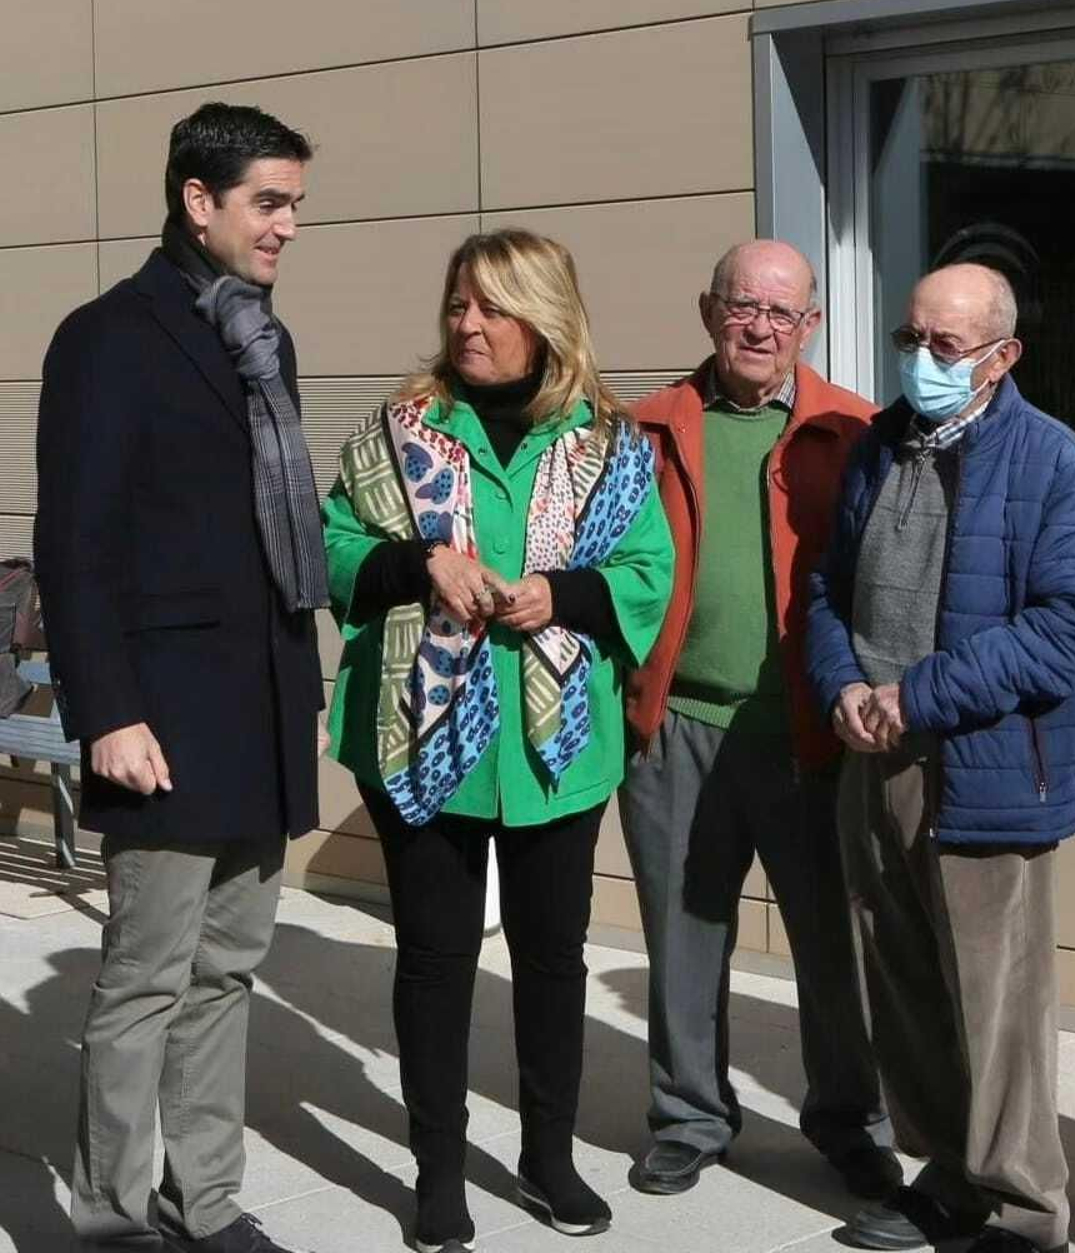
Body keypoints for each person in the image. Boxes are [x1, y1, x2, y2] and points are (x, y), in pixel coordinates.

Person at [322, 229, 673, 1251]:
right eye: (456, 304)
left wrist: (558, 593)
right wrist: (423, 559)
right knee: (433, 960)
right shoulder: (402, 427)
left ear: (543, 318)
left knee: (552, 959)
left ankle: (548, 1157)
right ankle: (439, 1172)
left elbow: (649, 570)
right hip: (417, 735)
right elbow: (335, 544)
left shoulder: (610, 440)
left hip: (558, 744)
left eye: (489, 307)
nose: (465, 324)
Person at [35, 102, 325, 1253]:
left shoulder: (261, 334)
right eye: (270, 200)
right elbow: (78, 543)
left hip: (260, 704)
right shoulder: (107, 336)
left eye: (297, 203)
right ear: (197, 201)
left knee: (226, 974)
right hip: (161, 715)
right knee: (148, 977)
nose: (289, 225)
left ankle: (202, 1201)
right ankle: (111, 1219)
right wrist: (107, 712)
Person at [807, 262, 1075, 1253]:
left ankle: (1025, 1214)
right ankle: (946, 1179)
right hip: (876, 757)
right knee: (903, 987)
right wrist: (843, 687)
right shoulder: (878, 448)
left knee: (997, 1009)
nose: (921, 361)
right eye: (911, 340)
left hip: (982, 765)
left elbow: (1069, 630)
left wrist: (920, 694)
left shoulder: (1055, 465)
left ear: (1001, 355)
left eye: (944, 345)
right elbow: (826, 588)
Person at [620, 239, 896, 1198]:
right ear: (709, 311)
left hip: (808, 735)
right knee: (682, 935)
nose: (759, 327)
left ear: (810, 327)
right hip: (675, 730)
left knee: (832, 944)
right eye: (743, 307)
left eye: (781, 313)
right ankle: (690, 1116)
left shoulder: (856, 433)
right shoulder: (645, 429)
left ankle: (850, 1120)